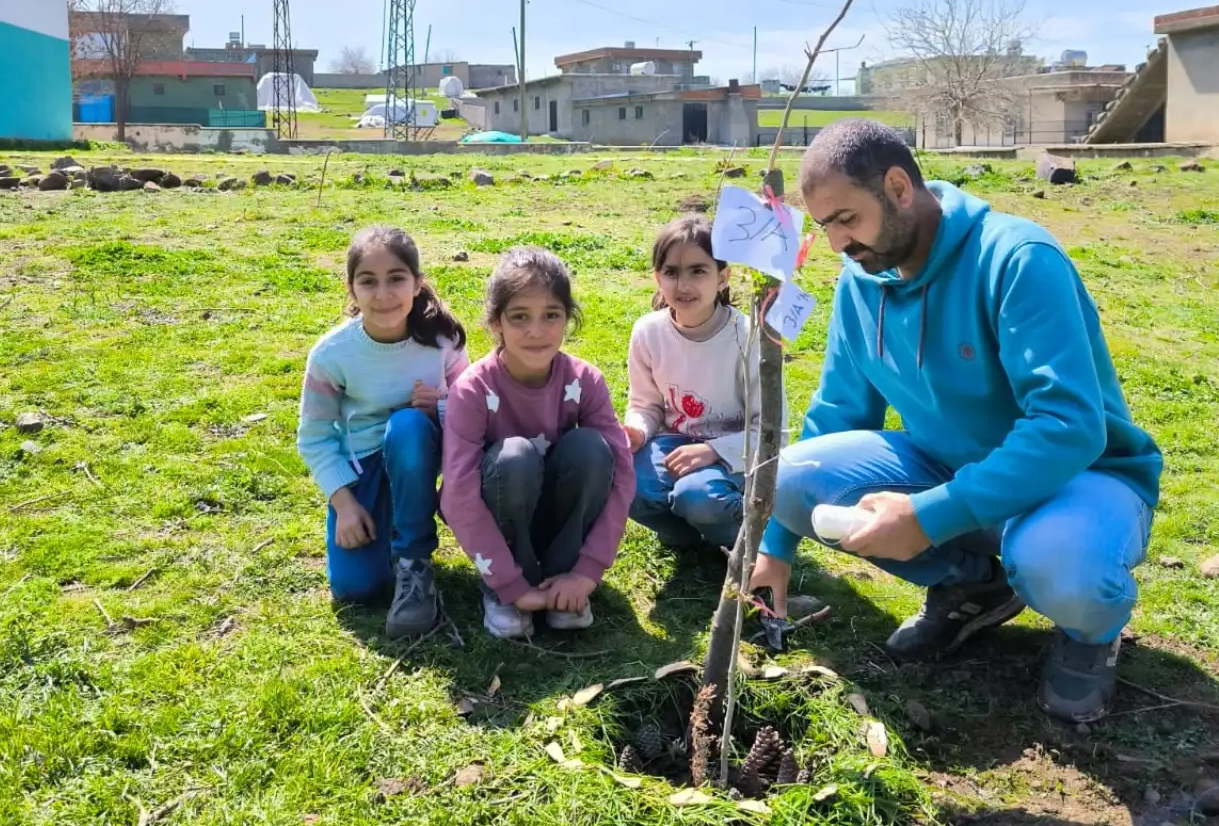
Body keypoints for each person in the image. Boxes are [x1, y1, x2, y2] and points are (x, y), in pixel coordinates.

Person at [750, 119, 1162, 724]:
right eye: (824, 226)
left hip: (1077, 479)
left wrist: (928, 515)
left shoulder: (1017, 258)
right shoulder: (861, 285)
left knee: (1058, 562)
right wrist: (776, 547)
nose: (837, 244)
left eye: (846, 219)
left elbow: (1069, 426)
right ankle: (975, 587)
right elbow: (840, 413)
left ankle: (1090, 632)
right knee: (791, 476)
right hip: (950, 468)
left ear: (897, 187)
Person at [441, 247, 635, 640]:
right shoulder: (472, 390)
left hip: (555, 518)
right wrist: (510, 585)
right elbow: (457, 495)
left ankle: (563, 580)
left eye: (551, 315)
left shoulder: (586, 381)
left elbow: (622, 476)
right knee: (515, 456)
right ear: (496, 323)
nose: (536, 331)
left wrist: (587, 573)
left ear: (568, 318)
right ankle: (505, 587)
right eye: (519, 317)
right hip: (504, 513)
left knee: (592, 449)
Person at [297, 226, 469, 636]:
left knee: (407, 424)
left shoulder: (443, 340)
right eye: (368, 282)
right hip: (365, 467)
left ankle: (414, 559)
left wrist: (442, 405)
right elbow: (315, 435)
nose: (384, 294)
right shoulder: (331, 354)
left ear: (417, 283)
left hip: (421, 455)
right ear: (351, 288)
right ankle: (389, 524)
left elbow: (473, 411)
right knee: (356, 587)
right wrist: (344, 504)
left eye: (396, 279)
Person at [624, 215, 773, 551]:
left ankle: (742, 542)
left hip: (733, 450)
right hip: (673, 443)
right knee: (623, 482)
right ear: (657, 278)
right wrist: (636, 430)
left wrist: (713, 450)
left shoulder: (748, 338)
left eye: (698, 270)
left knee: (698, 496)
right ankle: (689, 538)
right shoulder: (648, 332)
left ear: (723, 276)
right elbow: (645, 405)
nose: (683, 285)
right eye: (672, 272)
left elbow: (769, 429)